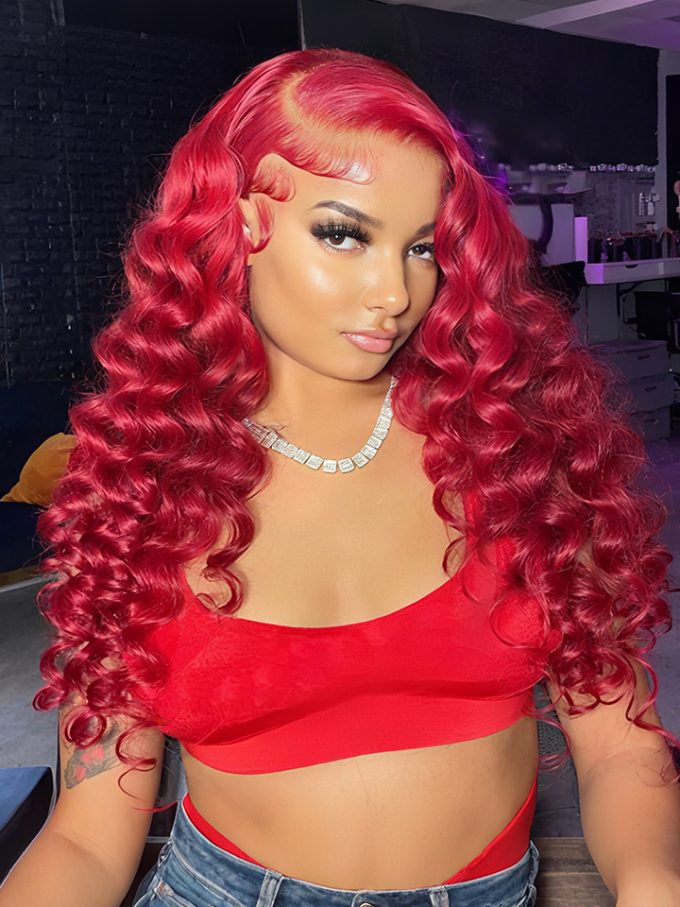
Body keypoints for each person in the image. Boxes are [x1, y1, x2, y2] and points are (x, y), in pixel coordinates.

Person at [2, 47, 680, 907]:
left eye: (422, 247)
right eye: (343, 233)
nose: (393, 292)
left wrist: (654, 883)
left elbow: (620, 745)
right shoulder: (145, 485)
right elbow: (86, 834)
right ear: (237, 224)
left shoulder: (519, 453)